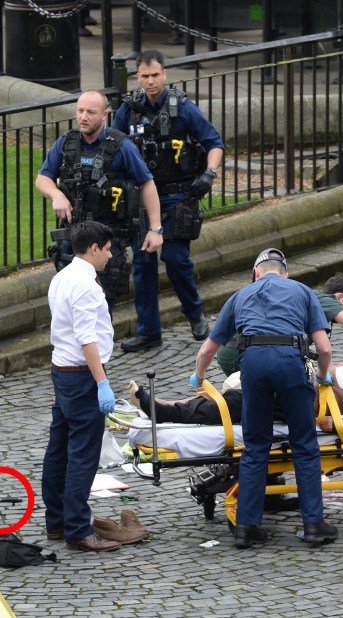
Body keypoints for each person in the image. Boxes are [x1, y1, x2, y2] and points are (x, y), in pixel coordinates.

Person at [191, 248, 338, 549]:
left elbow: (207, 350)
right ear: (285, 272)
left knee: (256, 445)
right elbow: (324, 348)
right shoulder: (302, 292)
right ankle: (313, 525)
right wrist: (322, 377)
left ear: (256, 273)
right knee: (304, 445)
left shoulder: (240, 296)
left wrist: (199, 377)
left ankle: (246, 527)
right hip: (289, 361)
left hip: (253, 364)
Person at [112, 50, 226, 352]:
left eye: (155, 75)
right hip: (141, 199)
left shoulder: (183, 109)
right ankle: (149, 331)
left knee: (176, 259)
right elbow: (113, 147)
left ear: (164, 75)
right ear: (138, 77)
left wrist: (209, 173)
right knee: (143, 262)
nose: (150, 82)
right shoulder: (129, 111)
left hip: (176, 196)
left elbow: (214, 143)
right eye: (145, 76)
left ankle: (195, 313)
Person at [129, 360, 343, 447]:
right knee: (237, 398)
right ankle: (166, 406)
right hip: (307, 382)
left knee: (237, 403)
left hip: (311, 399)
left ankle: (164, 409)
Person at [36, 90, 164, 310]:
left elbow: (147, 184)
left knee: (101, 305)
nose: (84, 117)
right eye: (80, 111)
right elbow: (42, 178)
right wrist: (56, 195)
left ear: (104, 115)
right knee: (69, 302)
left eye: (91, 112)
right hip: (73, 236)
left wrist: (155, 229)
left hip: (107, 237)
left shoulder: (122, 146)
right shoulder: (66, 143)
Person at [43, 221, 122, 553]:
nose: (110, 254)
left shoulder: (62, 277)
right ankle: (77, 528)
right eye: (107, 249)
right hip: (81, 376)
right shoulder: (87, 286)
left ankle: (57, 521)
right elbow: (87, 337)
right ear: (93, 249)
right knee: (82, 455)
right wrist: (102, 382)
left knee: (59, 448)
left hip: (62, 371)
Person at [214, 272, 343, 376]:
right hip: (242, 352)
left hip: (245, 349)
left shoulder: (311, 300)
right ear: (338, 297)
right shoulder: (324, 300)